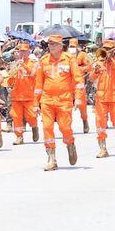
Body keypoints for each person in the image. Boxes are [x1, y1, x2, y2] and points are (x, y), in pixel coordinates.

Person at [36, 35, 83, 170]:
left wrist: (78, 97)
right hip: (47, 100)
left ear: (61, 46)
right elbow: (38, 84)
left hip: (64, 100)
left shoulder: (69, 59)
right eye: (50, 44)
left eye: (54, 44)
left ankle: (70, 144)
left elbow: (78, 80)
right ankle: (52, 159)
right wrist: (35, 103)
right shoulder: (43, 60)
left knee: (65, 128)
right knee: (47, 128)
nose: (51, 46)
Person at [90, 39, 115, 158]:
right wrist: (95, 72)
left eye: (109, 49)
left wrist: (112, 61)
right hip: (101, 97)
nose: (106, 51)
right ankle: (103, 148)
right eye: (105, 49)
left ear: (114, 50)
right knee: (100, 122)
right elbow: (91, 78)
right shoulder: (99, 60)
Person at [8, 43, 40, 145]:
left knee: (31, 116)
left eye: (24, 51)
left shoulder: (33, 63)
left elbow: (33, 74)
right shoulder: (14, 64)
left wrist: (24, 65)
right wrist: (11, 75)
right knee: (16, 117)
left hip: (29, 95)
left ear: (29, 52)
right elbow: (9, 80)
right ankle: (19, 136)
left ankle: (34, 127)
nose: (22, 53)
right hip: (16, 96)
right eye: (20, 51)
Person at [69, 38, 90, 133]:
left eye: (73, 46)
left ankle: (85, 120)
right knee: (66, 106)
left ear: (77, 47)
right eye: (70, 46)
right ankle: (67, 125)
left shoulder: (82, 55)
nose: (72, 48)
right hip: (68, 84)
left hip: (79, 82)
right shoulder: (66, 56)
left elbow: (89, 67)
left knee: (82, 105)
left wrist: (79, 69)